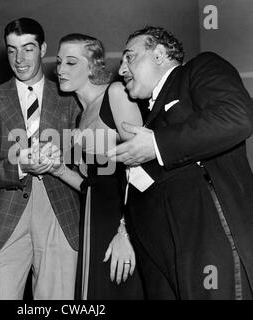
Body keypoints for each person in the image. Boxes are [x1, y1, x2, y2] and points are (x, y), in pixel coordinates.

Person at [107, 26, 253, 299]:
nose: (122, 69)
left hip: (206, 240)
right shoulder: (147, 115)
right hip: (163, 258)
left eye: (130, 57)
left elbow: (237, 117)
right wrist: (124, 231)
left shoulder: (198, 70)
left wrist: (156, 145)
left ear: (160, 55)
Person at [0, 18, 80, 300]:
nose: (19, 59)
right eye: (11, 50)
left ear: (43, 48)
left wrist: (62, 160)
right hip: (4, 218)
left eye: (28, 48)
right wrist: (19, 165)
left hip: (60, 213)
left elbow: (90, 161)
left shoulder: (71, 97)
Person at [46, 33, 144, 299]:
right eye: (59, 62)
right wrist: (57, 169)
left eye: (71, 62)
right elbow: (92, 186)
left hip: (121, 223)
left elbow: (144, 169)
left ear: (93, 66)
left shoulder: (115, 94)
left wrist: (126, 232)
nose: (61, 70)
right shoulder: (81, 115)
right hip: (93, 223)